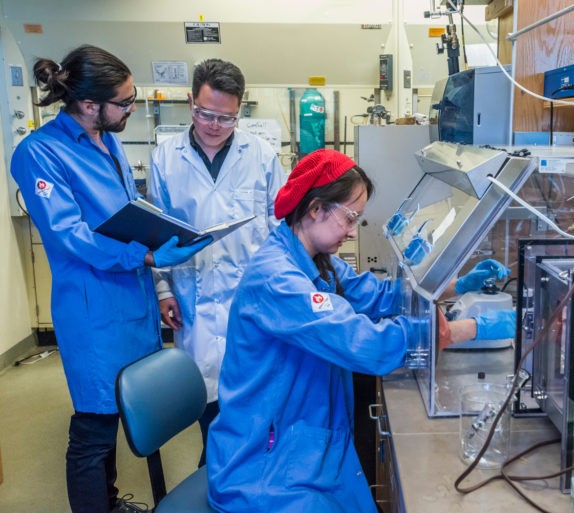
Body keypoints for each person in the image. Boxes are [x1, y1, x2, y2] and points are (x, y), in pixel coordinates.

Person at [206, 149, 515, 513]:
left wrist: (458, 285)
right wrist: (469, 328)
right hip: (263, 462)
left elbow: (378, 295)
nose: (354, 231)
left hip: (299, 435)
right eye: (350, 218)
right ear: (316, 208)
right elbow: (361, 343)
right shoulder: (278, 278)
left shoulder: (313, 259)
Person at [10, 45, 210, 513]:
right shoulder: (39, 153)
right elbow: (69, 235)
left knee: (132, 411)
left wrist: (163, 234)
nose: (131, 108)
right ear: (87, 103)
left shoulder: (110, 141)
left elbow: (125, 211)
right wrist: (143, 255)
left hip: (133, 304)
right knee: (95, 428)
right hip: (93, 311)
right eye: (124, 102)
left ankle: (108, 501)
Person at [147, 58, 285, 466]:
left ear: (240, 111)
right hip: (196, 301)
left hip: (252, 300)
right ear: (191, 101)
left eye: (226, 118)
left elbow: (279, 226)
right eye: (205, 113)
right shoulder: (166, 158)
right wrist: (162, 290)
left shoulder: (260, 155)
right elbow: (156, 231)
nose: (213, 124)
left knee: (254, 407)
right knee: (207, 405)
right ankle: (217, 479)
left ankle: (243, 483)